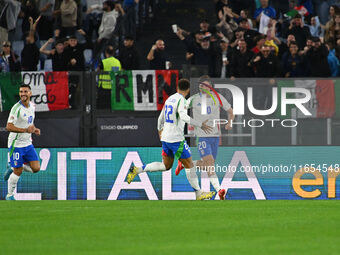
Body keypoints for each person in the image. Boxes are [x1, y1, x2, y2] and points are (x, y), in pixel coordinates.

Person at [127, 79, 216, 200]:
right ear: (188, 90)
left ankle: (138, 169)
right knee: (189, 165)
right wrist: (200, 124)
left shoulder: (170, 99)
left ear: (177, 88)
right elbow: (183, 116)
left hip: (166, 138)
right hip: (176, 139)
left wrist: (160, 131)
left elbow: (160, 118)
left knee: (166, 166)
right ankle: (199, 193)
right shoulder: (182, 100)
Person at [175, 76, 234, 200]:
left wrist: (230, 123)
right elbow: (181, 110)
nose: (203, 88)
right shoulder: (193, 99)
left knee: (208, 164)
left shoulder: (217, 97)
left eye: (206, 86)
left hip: (215, 136)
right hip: (202, 136)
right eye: (201, 86)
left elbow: (230, 111)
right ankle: (219, 190)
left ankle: (186, 164)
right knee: (210, 163)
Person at [3, 84, 41, 200]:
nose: (23, 94)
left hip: (27, 143)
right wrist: (25, 130)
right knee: (18, 171)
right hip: (16, 144)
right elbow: (8, 127)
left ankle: (13, 166)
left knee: (36, 168)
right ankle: (9, 195)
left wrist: (34, 130)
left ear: (30, 93)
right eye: (21, 92)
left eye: (25, 91)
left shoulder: (32, 106)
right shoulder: (16, 108)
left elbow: (30, 122)